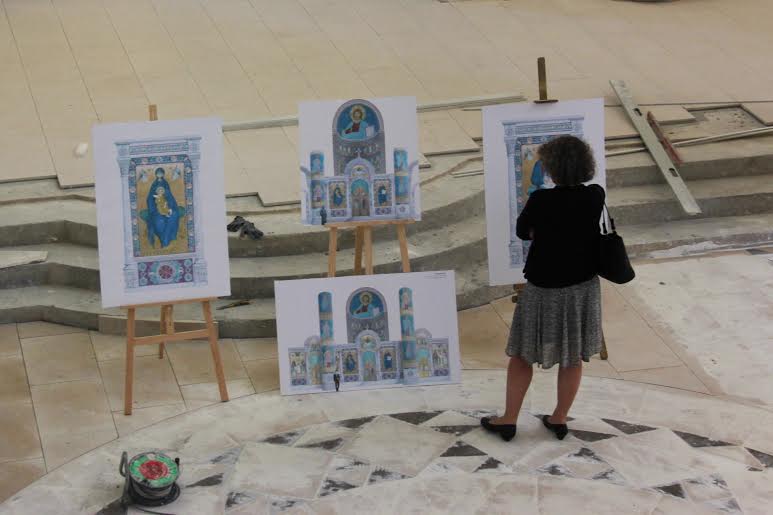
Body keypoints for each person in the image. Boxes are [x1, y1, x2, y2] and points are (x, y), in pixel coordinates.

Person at [481, 135, 605, 443]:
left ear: (552, 167)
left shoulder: (541, 200)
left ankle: (508, 420)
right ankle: (559, 418)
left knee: (523, 355)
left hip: (544, 286)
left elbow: (524, 232)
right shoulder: (595, 195)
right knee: (572, 356)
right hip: (582, 286)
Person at [146, 167, 180, 248]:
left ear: (163, 174)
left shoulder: (165, 184)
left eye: (161, 173)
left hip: (167, 207)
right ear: (156, 174)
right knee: (159, 222)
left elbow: (170, 197)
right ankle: (164, 240)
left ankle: (167, 239)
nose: (159, 174)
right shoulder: (154, 184)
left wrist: (170, 207)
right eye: (158, 173)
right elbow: (150, 198)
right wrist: (154, 209)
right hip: (156, 209)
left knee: (174, 216)